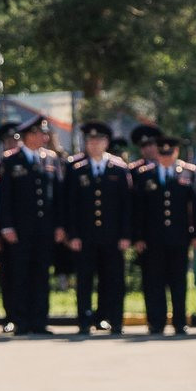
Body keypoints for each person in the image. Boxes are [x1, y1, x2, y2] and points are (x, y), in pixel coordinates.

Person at [62, 120, 133, 334]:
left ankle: (111, 319)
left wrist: (125, 234)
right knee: (85, 280)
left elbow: (127, 206)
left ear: (106, 142)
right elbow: (69, 204)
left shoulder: (119, 168)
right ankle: (84, 320)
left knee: (112, 279)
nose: (94, 144)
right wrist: (72, 234)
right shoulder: (76, 168)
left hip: (112, 236)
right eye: (90, 141)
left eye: (99, 140)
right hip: (85, 236)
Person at [0, 116, 63, 334]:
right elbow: (4, 196)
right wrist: (6, 226)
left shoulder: (51, 159)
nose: (41, 137)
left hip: (45, 228)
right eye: (36, 133)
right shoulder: (10, 160)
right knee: (20, 274)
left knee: (41, 274)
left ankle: (40, 320)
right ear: (26, 136)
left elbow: (58, 195)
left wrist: (60, 225)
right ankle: (21, 320)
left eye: (43, 133)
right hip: (20, 229)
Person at [132, 130, 196, 334]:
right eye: (162, 154)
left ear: (176, 152)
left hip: (179, 237)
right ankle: (156, 321)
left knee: (178, 282)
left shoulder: (187, 173)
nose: (165, 158)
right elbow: (139, 209)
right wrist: (138, 236)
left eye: (169, 153)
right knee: (154, 282)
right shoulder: (145, 175)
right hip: (152, 239)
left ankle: (180, 321)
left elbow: (194, 207)